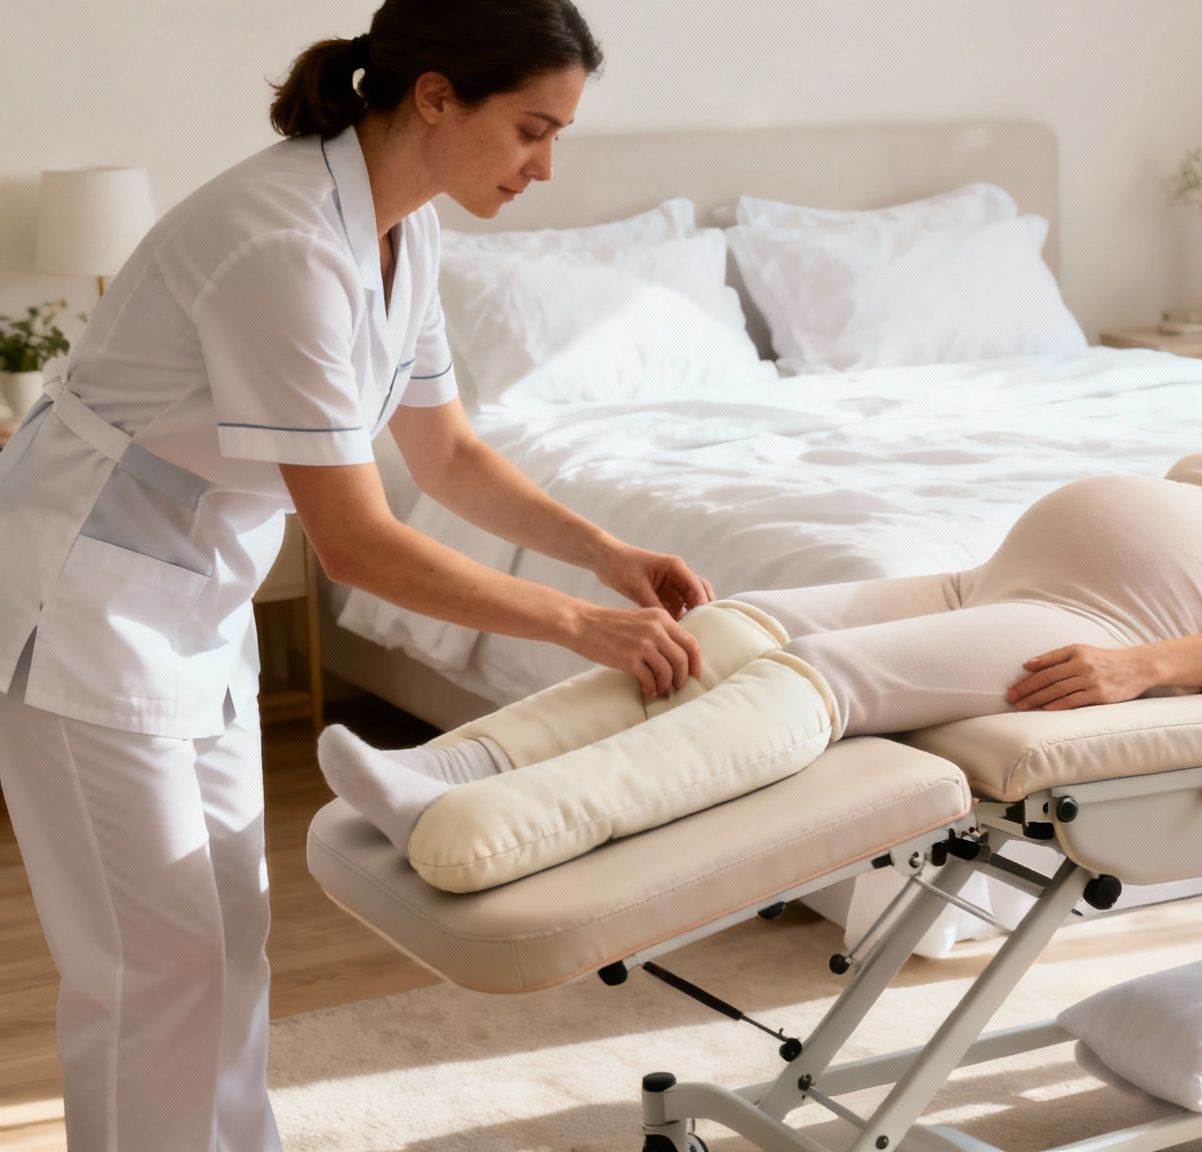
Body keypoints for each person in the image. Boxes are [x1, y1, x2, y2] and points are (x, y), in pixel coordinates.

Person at [0, 5, 714, 1149]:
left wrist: (607, 553)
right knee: (154, 964)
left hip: (192, 597)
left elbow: (448, 455)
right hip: (84, 599)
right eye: (533, 130)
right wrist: (582, 624)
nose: (544, 168)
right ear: (435, 95)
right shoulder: (281, 238)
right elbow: (357, 542)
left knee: (230, 933)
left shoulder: (405, 228)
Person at [315, 432, 1202, 881]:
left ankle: (516, 821)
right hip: (989, 577)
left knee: (817, 685)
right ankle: (455, 771)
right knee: (734, 623)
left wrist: (1141, 670)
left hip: (1090, 630)